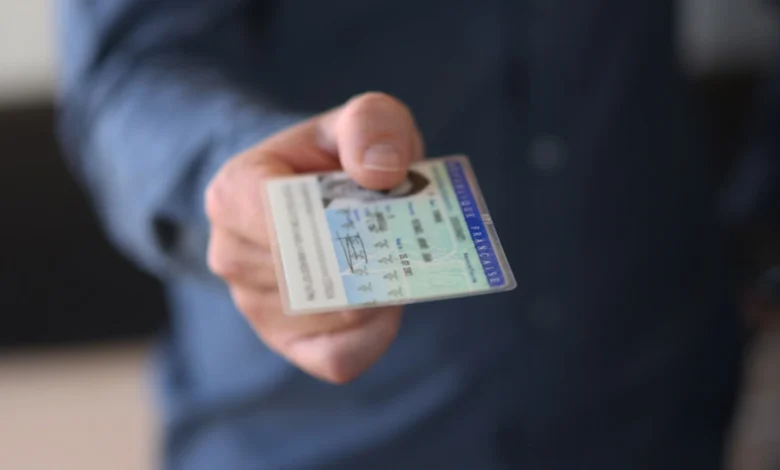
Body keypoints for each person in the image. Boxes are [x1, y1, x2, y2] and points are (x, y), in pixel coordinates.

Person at [56, 1, 777, 468]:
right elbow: (132, 71)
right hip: (324, 430)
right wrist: (244, 181)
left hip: (652, 406)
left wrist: (764, 238)